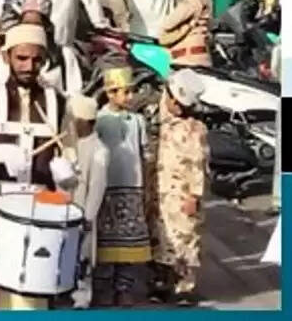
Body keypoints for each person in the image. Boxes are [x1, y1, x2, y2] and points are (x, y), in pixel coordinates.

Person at [0, 23, 78, 310]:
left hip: (39, 210)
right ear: (6, 57)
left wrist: (67, 173)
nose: (29, 66)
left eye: (36, 60)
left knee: (31, 297)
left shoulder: (57, 101)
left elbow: (70, 154)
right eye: (22, 58)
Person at [149, 69, 208, 305]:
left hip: (183, 193)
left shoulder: (194, 130)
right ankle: (162, 282)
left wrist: (194, 195)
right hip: (162, 192)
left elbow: (199, 165)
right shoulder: (165, 124)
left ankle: (185, 287)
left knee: (185, 238)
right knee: (162, 236)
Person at [94, 66, 151, 305]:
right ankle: (103, 287)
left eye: (131, 92)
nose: (129, 97)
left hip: (132, 186)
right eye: (124, 92)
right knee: (103, 238)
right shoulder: (99, 120)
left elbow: (144, 153)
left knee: (129, 238)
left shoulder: (138, 121)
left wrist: (146, 184)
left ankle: (123, 287)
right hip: (106, 187)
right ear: (110, 93)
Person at [68, 94, 110, 309]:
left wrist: (88, 217)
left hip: (84, 211)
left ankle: (82, 296)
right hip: (65, 208)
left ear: (85, 121)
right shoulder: (70, 143)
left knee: (82, 255)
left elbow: (97, 187)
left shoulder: (100, 150)